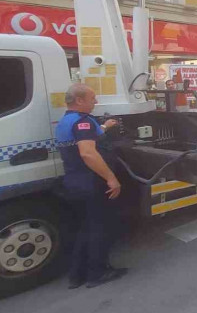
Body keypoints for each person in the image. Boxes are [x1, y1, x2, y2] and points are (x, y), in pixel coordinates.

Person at [57, 84, 126, 289]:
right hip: (92, 182)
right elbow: (88, 153)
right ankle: (98, 273)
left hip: (75, 182)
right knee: (101, 228)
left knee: (85, 228)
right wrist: (111, 178)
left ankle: (77, 276)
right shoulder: (83, 123)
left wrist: (105, 126)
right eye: (92, 98)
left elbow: (88, 135)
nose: (95, 101)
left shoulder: (67, 121)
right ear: (79, 100)